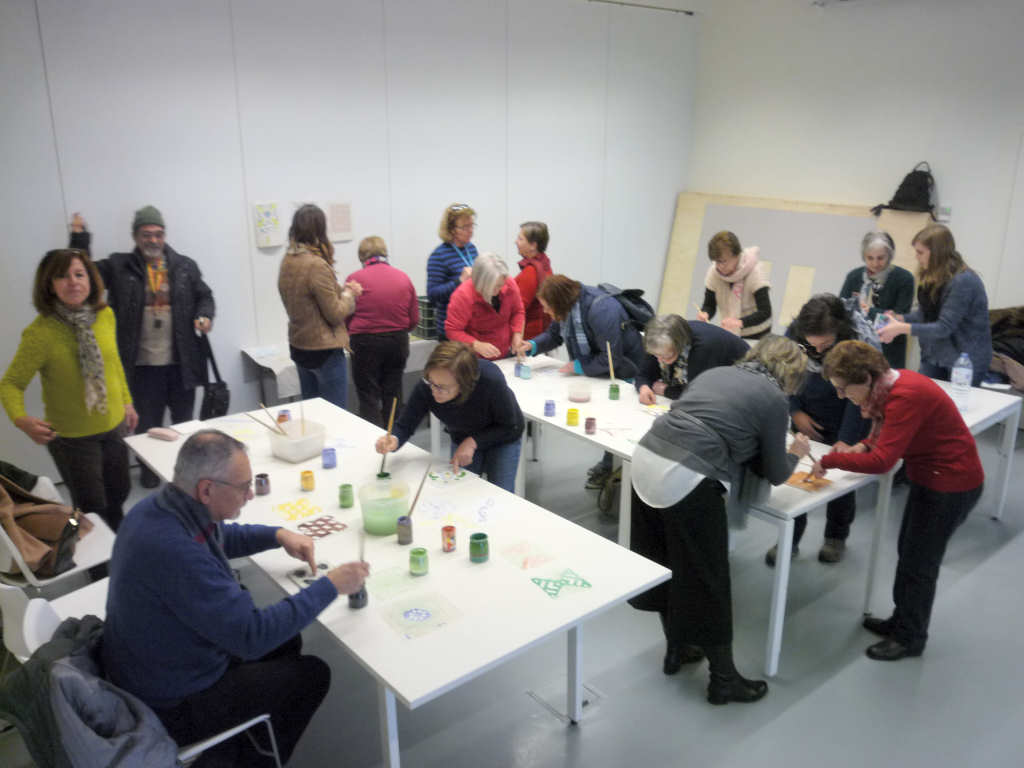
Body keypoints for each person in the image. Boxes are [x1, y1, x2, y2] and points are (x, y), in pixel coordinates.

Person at [102, 430, 369, 765]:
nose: (250, 495)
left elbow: (218, 535)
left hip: (148, 664)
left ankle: (251, 729)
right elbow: (252, 637)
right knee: (312, 674)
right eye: (243, 487)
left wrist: (276, 535)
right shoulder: (176, 552)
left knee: (288, 641)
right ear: (207, 490)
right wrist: (330, 585)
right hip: (169, 703)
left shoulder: (160, 509)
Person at [629, 336, 810, 703]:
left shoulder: (717, 373)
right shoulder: (774, 397)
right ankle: (723, 680)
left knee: (666, 564)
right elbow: (775, 472)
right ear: (791, 374)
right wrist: (796, 452)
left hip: (646, 459)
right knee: (708, 577)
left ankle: (677, 650)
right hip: (687, 476)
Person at [812, 341, 983, 660]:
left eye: (843, 388)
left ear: (865, 379)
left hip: (950, 484)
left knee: (919, 563)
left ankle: (910, 638)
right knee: (909, 554)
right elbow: (886, 435)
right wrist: (864, 445)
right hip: (932, 478)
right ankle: (901, 621)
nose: (841, 395)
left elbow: (883, 462)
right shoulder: (890, 386)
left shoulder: (905, 395)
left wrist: (831, 460)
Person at [69, 209, 215, 488]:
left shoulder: (185, 266)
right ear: (135, 236)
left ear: (164, 235)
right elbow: (83, 274)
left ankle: (185, 477)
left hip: (181, 364)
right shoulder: (118, 266)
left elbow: (204, 296)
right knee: (148, 426)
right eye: (146, 234)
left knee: (184, 425)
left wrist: (204, 315)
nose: (153, 240)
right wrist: (79, 239)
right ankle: (149, 473)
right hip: (141, 366)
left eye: (158, 234)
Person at [1, 248, 137, 531]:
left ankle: (118, 542)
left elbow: (113, 363)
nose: (73, 282)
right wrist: (21, 419)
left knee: (119, 492)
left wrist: (127, 401)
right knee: (90, 506)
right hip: (72, 439)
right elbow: (11, 383)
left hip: (114, 426)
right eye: (62, 276)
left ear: (90, 279)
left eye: (79, 274)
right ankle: (85, 545)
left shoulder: (105, 315)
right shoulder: (40, 333)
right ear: (49, 285)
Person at [764, 294, 875, 567]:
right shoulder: (795, 334)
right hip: (806, 411)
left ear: (839, 331)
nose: (817, 351)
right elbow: (784, 374)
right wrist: (795, 411)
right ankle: (790, 538)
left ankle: (836, 536)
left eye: (825, 345)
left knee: (841, 477)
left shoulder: (858, 344)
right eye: (811, 345)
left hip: (847, 412)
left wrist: (846, 439)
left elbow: (861, 396)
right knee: (798, 474)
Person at [515, 274, 646, 490]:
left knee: (615, 422)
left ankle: (617, 470)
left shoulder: (601, 310)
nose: (545, 312)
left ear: (559, 302)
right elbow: (554, 335)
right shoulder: (568, 307)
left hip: (625, 371)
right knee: (606, 419)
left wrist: (578, 366)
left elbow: (610, 358)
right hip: (602, 371)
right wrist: (532, 345)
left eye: (547, 307)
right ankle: (611, 468)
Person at [376, 342, 524, 492]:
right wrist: (394, 439)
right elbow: (405, 424)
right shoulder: (428, 386)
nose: (434, 391)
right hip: (462, 434)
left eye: (442, 387)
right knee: (461, 490)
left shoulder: (491, 380)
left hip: (502, 436)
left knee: (501, 490)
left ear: (464, 384)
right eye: (431, 382)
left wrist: (472, 442)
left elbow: (509, 426)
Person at [877, 223, 992, 385]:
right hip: (935, 355)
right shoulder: (931, 276)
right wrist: (899, 318)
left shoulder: (964, 281)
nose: (917, 257)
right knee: (923, 396)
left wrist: (900, 328)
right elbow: (924, 315)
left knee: (954, 401)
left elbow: (944, 327)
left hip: (964, 361)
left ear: (937, 253)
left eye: (920, 252)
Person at [278, 204, 363, 410]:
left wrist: (343, 291)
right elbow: (335, 314)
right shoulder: (316, 265)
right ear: (319, 230)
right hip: (324, 351)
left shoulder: (287, 261)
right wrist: (349, 295)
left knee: (313, 414)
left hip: (300, 346)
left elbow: (312, 299)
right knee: (335, 416)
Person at [345, 236, 419, 427]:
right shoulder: (403, 277)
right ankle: (393, 437)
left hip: (365, 343)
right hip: (397, 341)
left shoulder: (354, 280)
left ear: (362, 257)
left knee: (368, 395)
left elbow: (345, 314)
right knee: (393, 393)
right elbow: (414, 318)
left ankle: (372, 439)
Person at [839, 231, 915, 367]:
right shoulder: (854, 276)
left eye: (880, 258)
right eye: (870, 258)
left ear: (889, 256)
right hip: (856, 348)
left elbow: (899, 318)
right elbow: (840, 310)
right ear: (864, 256)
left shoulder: (904, 279)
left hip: (888, 351)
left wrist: (870, 312)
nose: (875, 263)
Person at [635, 314, 749, 405]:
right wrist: (644, 387)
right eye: (656, 355)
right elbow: (643, 374)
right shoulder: (656, 339)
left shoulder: (702, 348)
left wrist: (665, 390)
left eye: (666, 356)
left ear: (679, 346)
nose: (660, 360)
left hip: (740, 383)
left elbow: (697, 395)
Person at [445, 253, 525, 359]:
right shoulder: (463, 296)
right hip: (475, 358)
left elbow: (518, 311)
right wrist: (475, 344)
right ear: (480, 282)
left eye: (500, 285)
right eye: (493, 287)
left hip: (504, 351)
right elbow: (452, 330)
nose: (497, 290)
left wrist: (517, 334)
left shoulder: (509, 283)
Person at [697, 230, 772, 339]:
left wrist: (739, 322)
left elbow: (765, 312)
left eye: (723, 261)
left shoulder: (755, 272)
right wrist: (705, 313)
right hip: (729, 331)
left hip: (758, 333)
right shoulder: (713, 273)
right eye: (716, 262)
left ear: (737, 255)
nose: (719, 266)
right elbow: (709, 305)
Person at [427, 203, 479, 339]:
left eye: (472, 225)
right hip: (451, 327)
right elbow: (432, 295)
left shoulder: (471, 249)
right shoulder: (439, 256)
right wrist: (459, 281)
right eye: (465, 227)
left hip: (473, 324)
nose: (470, 231)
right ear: (451, 229)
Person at [513, 221, 553, 340]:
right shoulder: (544, 263)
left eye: (520, 239)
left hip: (528, 337)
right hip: (541, 333)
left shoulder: (531, 272)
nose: (516, 242)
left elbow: (517, 308)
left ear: (533, 245)